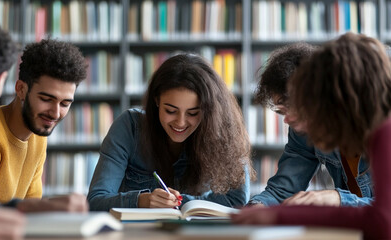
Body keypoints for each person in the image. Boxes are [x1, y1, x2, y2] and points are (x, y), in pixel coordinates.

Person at [232, 33, 391, 240]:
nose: (289, 119)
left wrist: (337, 199)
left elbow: (382, 221)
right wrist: (270, 212)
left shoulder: (384, 134)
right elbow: (375, 218)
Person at [0, 17, 87, 240]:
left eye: (66, 103)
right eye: (46, 99)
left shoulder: (38, 135)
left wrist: (44, 209)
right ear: (17, 88)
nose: (56, 113)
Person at [88, 53, 252, 211]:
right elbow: (96, 201)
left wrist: (181, 202)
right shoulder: (130, 127)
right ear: (157, 100)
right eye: (171, 111)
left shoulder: (222, 132)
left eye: (193, 113)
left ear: (208, 111)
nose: (180, 123)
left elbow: (236, 201)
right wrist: (142, 200)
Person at [249, 43, 373, 207]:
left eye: (294, 106)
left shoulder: (380, 124)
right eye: (281, 111)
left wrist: (339, 200)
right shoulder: (302, 131)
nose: (287, 120)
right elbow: (282, 191)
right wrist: (258, 206)